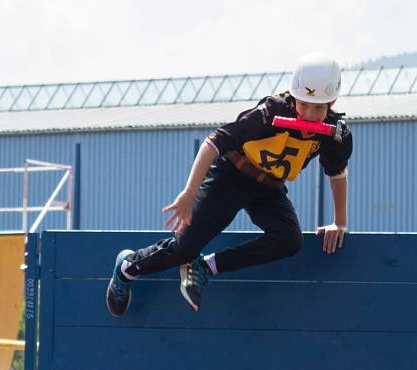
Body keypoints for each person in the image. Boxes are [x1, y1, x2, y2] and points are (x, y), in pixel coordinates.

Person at [106, 52, 353, 317]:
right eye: (304, 105)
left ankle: (205, 267)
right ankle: (127, 267)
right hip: (231, 175)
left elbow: (337, 172)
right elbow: (214, 142)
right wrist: (189, 193)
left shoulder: (335, 133)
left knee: (289, 240)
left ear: (332, 102)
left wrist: (340, 222)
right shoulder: (269, 112)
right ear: (293, 97)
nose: (309, 114)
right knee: (185, 248)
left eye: (318, 108)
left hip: (269, 188)